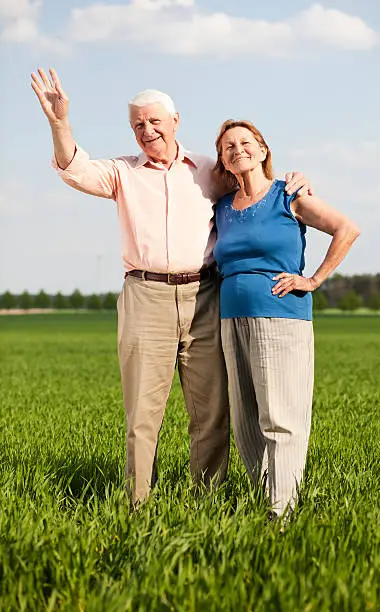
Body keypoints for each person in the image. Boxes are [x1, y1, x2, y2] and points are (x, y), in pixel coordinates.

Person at [30, 67, 312, 506]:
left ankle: (205, 502)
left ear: (175, 121)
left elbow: (252, 179)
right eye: (138, 124)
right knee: (143, 414)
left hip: (205, 295)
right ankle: (137, 504)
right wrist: (59, 123)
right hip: (146, 296)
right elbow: (73, 168)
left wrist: (295, 185)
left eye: (154, 121)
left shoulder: (207, 170)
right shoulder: (121, 172)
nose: (147, 130)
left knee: (211, 412)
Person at [213, 119, 360, 518]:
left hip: (281, 317)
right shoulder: (223, 208)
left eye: (246, 142)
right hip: (231, 319)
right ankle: (266, 499)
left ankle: (282, 511)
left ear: (263, 150)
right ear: (223, 160)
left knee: (281, 417)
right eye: (228, 146)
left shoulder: (288, 196)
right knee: (246, 419)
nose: (237, 149)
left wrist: (313, 279)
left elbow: (346, 229)